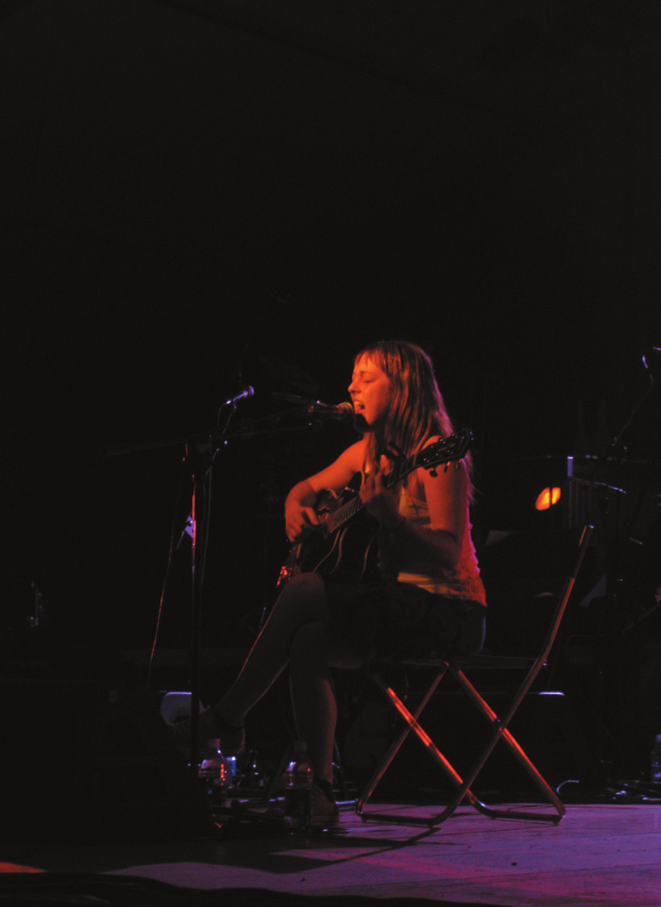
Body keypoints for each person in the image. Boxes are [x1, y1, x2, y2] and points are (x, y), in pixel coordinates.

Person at [174, 340, 486, 827]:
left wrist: (392, 521)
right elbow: (304, 489)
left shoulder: (437, 454)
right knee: (309, 640)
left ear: (402, 387)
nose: (351, 387)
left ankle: (227, 718)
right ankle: (320, 791)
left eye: (366, 377)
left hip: (448, 610)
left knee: (302, 591)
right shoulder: (366, 452)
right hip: (393, 605)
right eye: (352, 377)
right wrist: (293, 510)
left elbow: (448, 554)